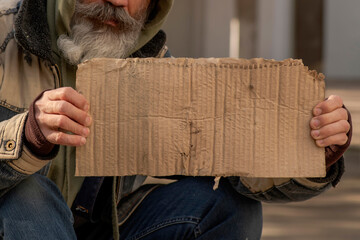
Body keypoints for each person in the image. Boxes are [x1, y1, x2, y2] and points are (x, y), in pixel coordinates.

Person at [0, 0, 352, 239]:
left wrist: (313, 150)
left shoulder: (155, 64)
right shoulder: (5, 33)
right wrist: (27, 136)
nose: (119, 1)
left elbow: (237, 168)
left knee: (230, 207)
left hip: (103, 228)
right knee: (30, 193)